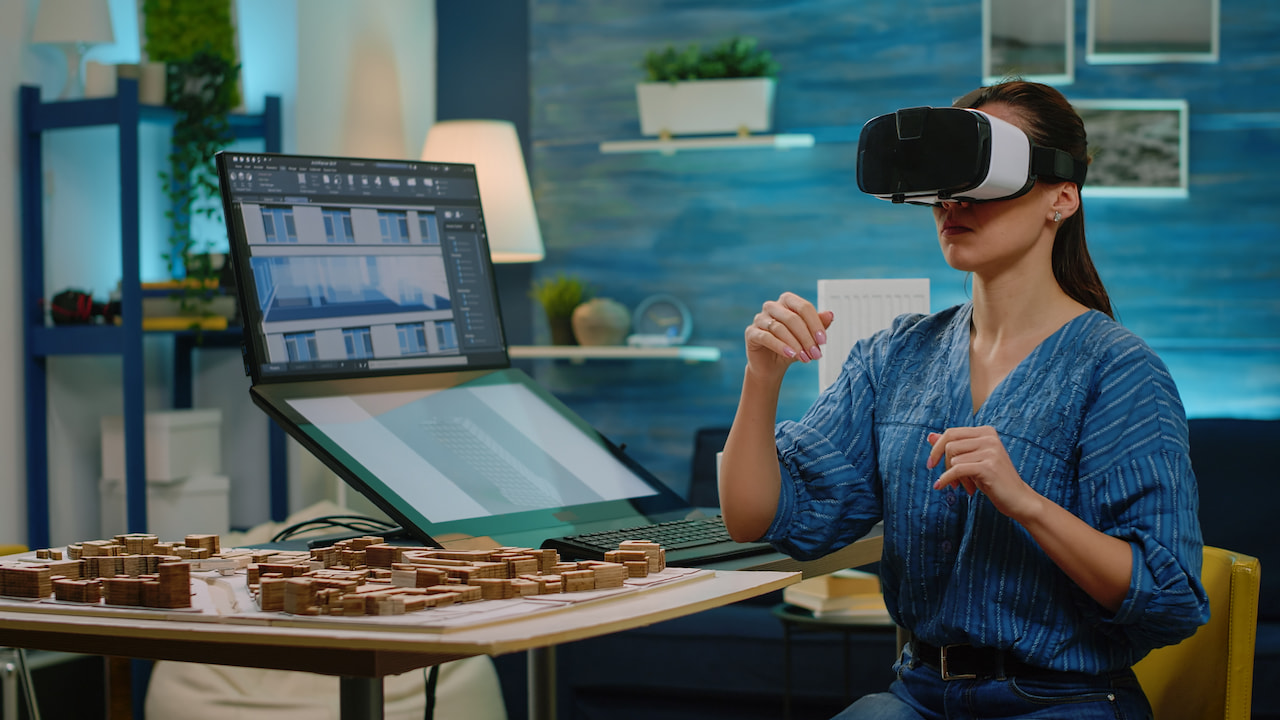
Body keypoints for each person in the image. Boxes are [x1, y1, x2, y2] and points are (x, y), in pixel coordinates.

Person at [719, 80, 1209, 719]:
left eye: (983, 178)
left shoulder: (1119, 371)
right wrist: (762, 376)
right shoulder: (895, 356)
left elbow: (1169, 595)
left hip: (1062, 699)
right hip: (918, 694)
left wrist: (1025, 503)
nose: (954, 202)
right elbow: (754, 518)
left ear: (1061, 198)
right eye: (945, 183)